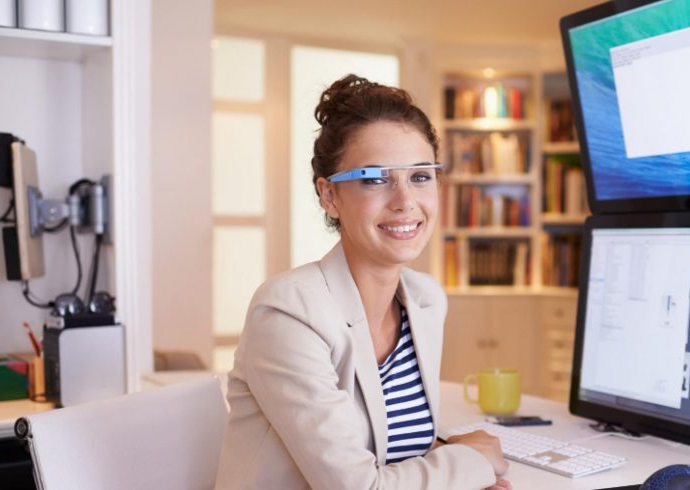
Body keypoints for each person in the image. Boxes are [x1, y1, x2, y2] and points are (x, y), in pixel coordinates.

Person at [215, 74, 511, 490]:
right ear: (329, 196)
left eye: (420, 176)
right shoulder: (287, 312)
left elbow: (386, 444)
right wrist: (469, 464)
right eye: (375, 178)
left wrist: (451, 462)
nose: (405, 200)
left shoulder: (425, 300)